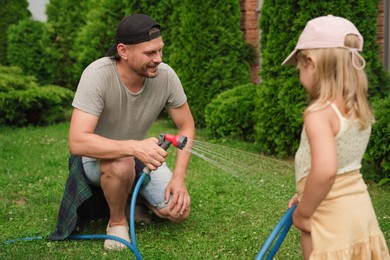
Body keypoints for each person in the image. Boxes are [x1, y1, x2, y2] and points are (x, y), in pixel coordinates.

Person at [68, 14, 195, 250]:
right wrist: (134, 147)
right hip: (97, 160)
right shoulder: (97, 75)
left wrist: (179, 177)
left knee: (178, 211)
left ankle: (135, 202)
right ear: (123, 51)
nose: (158, 59)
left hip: (140, 155)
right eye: (150, 53)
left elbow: (186, 127)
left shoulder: (166, 76)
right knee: (122, 163)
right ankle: (117, 222)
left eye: (160, 50)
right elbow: (77, 142)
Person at [283, 15, 390, 259]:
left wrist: (305, 212)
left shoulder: (319, 113)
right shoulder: (357, 109)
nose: (299, 75)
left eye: (299, 67)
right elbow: (342, 166)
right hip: (359, 212)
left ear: (310, 63)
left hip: (327, 216)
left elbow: (326, 170)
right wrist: (306, 193)